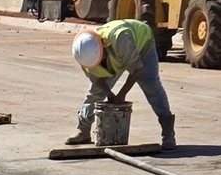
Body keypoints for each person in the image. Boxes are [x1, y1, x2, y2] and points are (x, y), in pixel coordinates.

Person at [69, 19, 174, 150]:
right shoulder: (83, 54)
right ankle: (83, 130)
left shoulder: (121, 38)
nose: (100, 64)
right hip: (117, 53)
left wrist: (122, 94)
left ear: (103, 46)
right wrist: (109, 93)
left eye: (101, 60)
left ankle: (168, 132)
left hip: (142, 45)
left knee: (150, 85)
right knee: (95, 92)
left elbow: (137, 70)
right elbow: (97, 80)